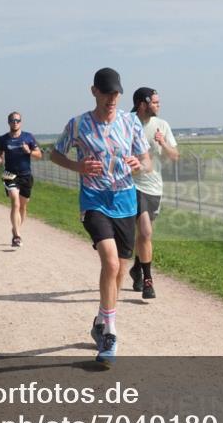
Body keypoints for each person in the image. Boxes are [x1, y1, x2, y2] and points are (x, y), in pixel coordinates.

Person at [50, 68, 150, 366]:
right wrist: (77, 168)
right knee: (109, 261)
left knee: (120, 269)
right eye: (106, 93)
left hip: (125, 201)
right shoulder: (78, 124)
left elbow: (146, 161)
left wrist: (138, 163)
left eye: (116, 94)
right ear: (94, 91)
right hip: (93, 200)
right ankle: (110, 332)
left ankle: (100, 319)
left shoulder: (129, 122)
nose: (111, 99)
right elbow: (55, 154)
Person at [128, 87, 179, 300]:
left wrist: (163, 142)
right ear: (142, 104)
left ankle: (137, 268)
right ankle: (148, 281)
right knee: (146, 232)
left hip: (154, 187)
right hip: (131, 185)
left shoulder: (162, 125)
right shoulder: (126, 123)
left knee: (144, 235)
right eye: (155, 102)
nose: (158, 105)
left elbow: (174, 156)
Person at [0, 112, 42, 247]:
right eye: (12, 120)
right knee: (15, 202)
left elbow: (39, 155)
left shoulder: (28, 137)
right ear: (8, 122)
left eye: (17, 120)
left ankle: (16, 228)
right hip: (10, 175)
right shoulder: (3, 139)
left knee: (23, 206)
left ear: (21, 122)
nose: (15, 122)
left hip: (26, 175)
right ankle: (17, 236)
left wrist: (29, 151)